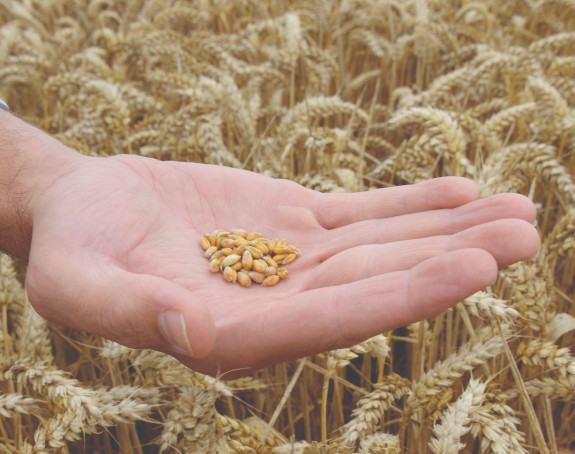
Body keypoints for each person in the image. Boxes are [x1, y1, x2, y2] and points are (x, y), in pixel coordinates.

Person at [0, 104, 540, 378]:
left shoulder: (244, 253)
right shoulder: (236, 252)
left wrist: (44, 180)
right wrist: (44, 186)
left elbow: (246, 260)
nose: (246, 260)